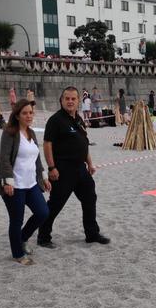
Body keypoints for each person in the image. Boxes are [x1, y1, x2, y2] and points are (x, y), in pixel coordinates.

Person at [37, 86, 110, 248]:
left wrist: (90, 163)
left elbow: (84, 143)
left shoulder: (78, 119)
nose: (70, 101)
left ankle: (92, 234)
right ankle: (43, 236)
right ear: (61, 100)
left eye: (73, 99)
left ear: (78, 101)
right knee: (56, 203)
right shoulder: (55, 120)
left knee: (90, 198)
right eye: (67, 98)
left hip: (81, 169)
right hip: (62, 169)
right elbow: (47, 144)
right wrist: (51, 168)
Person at [0, 99, 51, 265]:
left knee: (43, 212)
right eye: (25, 113)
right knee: (16, 220)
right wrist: (7, 182)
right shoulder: (10, 133)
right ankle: (17, 254)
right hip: (15, 185)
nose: (29, 116)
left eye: (31, 112)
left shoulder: (32, 133)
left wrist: (44, 177)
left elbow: (36, 158)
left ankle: (21, 238)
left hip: (31, 183)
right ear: (17, 115)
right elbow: (4, 159)